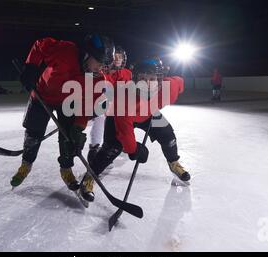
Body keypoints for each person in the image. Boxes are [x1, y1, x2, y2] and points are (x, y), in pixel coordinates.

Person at [10, 34, 115, 191]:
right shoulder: (65, 50)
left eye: (104, 64)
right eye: (99, 62)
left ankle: (66, 169)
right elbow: (40, 45)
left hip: (68, 103)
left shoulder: (97, 79)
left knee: (68, 139)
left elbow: (86, 108)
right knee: (34, 132)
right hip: (42, 95)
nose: (101, 67)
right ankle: (26, 164)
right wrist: (31, 67)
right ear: (87, 54)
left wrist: (78, 128)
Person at [78, 57, 191, 202]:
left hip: (148, 113)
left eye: (152, 78)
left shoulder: (169, 88)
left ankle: (174, 163)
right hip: (119, 116)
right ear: (135, 79)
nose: (147, 84)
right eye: (142, 78)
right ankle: (89, 177)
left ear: (160, 80)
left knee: (167, 135)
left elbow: (179, 82)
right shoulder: (124, 100)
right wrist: (135, 150)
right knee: (111, 148)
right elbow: (126, 135)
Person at [86, 46, 131, 163]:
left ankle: (117, 144)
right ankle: (94, 147)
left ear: (123, 59)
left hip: (118, 107)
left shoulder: (127, 74)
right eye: (115, 56)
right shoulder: (100, 71)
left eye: (119, 56)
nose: (116, 59)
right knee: (101, 116)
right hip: (98, 105)